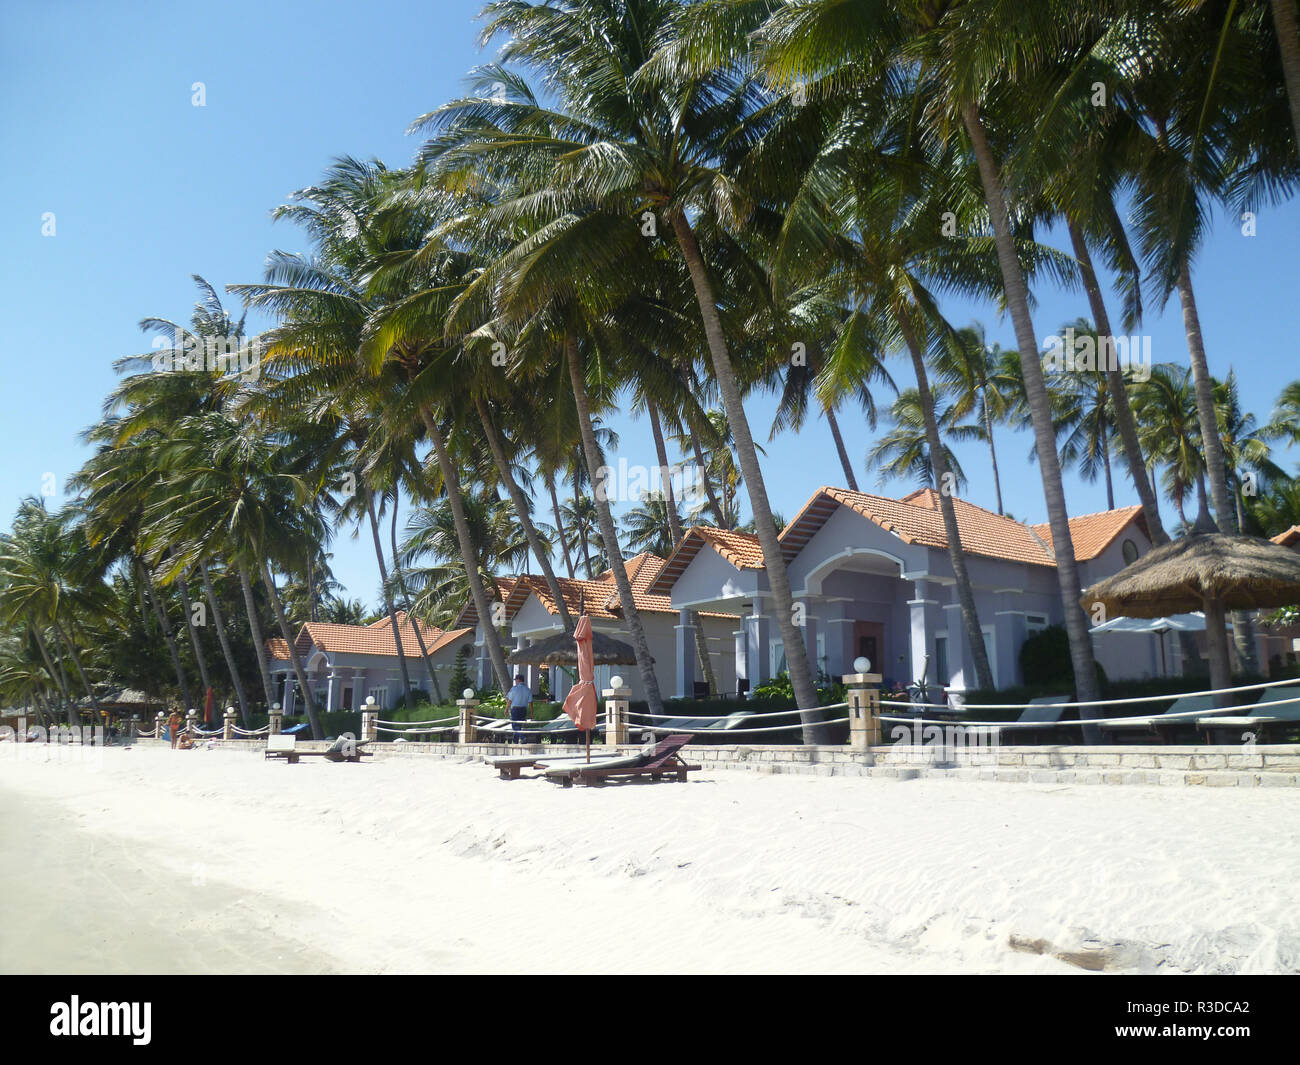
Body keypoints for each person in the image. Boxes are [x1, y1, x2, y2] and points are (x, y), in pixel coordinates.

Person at [506, 674, 533, 744]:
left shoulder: (514, 689)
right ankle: (515, 741)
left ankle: (522, 737)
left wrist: (506, 709)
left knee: (515, 725)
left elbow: (509, 700)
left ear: (518, 680)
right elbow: (530, 703)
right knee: (519, 725)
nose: (515, 682)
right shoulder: (528, 690)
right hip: (523, 709)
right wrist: (531, 713)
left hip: (515, 709)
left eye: (516, 680)